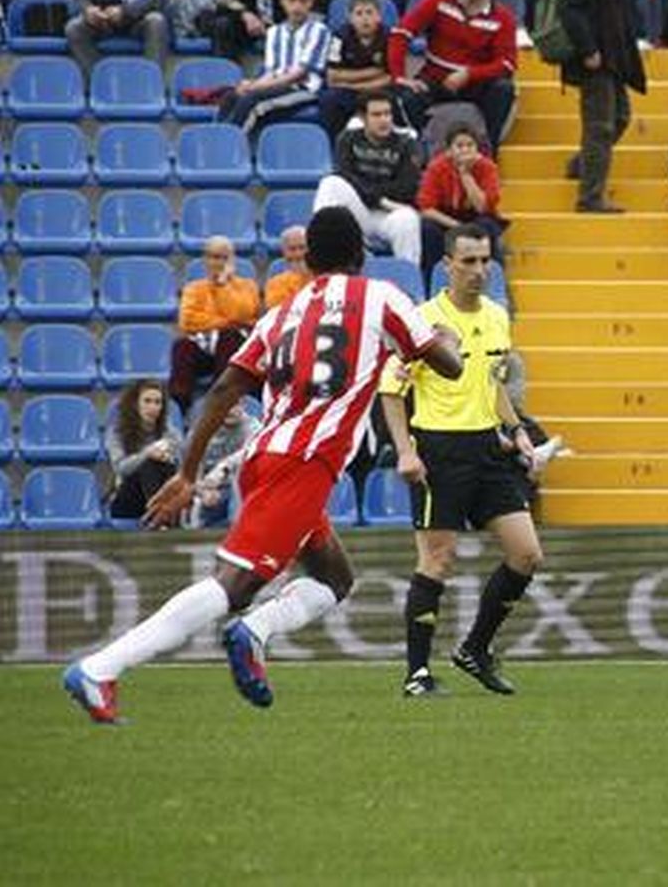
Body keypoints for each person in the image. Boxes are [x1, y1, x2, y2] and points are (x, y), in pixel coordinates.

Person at [63, 207, 464, 725]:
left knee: (335, 579)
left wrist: (188, 471)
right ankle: (101, 668)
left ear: (311, 261)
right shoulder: (384, 298)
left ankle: (254, 632)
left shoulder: (282, 314)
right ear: (362, 255)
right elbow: (447, 368)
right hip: (303, 462)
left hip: (266, 456)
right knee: (233, 585)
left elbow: (228, 386)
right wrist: (447, 338)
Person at [380, 224, 545, 697]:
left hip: (487, 449)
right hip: (438, 450)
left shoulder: (497, 316)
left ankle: (475, 648)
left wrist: (516, 430)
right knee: (438, 559)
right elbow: (391, 390)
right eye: (468, 261)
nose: (479, 270)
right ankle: (416, 675)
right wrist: (407, 451)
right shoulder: (424, 320)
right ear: (446, 265)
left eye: (484, 260)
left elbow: (492, 383)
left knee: (527, 554)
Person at [559, 0, 648, 214]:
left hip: (612, 63)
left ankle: (581, 165)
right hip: (595, 63)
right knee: (600, 128)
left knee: (620, 118)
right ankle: (590, 197)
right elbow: (567, 8)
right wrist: (588, 49)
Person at [389, 0, 520, 149]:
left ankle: (488, 150)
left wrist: (469, 74)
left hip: (477, 83)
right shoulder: (439, 0)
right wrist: (399, 76)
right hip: (435, 78)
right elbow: (401, 33)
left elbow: (507, 63)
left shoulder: (503, 17)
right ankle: (419, 150)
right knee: (405, 97)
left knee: (503, 89)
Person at [317, 90, 425, 263]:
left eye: (387, 114)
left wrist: (366, 191)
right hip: (358, 211)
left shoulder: (406, 143)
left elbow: (407, 188)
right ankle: (324, 260)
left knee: (409, 218)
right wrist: (379, 199)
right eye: (376, 115)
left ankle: (408, 281)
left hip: (389, 214)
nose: (384, 120)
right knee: (331, 183)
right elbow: (344, 177)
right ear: (362, 118)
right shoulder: (348, 139)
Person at [219, 0, 332, 137]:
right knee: (231, 96)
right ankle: (214, 140)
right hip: (274, 86)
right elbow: (271, 72)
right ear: (282, 1)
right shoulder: (274, 32)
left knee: (251, 102)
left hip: (303, 89)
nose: (297, 6)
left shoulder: (319, 30)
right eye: (292, 0)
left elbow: (299, 74)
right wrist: (252, 84)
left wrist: (255, 87)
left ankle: (230, 149)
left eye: (303, 1)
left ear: (311, 2)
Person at [170, 236, 261, 414]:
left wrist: (223, 285)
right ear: (205, 260)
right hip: (205, 346)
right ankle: (179, 406)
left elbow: (242, 314)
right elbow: (187, 321)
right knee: (181, 346)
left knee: (228, 336)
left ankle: (220, 397)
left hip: (234, 346)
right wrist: (225, 321)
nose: (218, 262)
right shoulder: (194, 288)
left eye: (223, 257)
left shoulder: (247, 287)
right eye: (213, 257)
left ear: (232, 260)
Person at [417, 125, 507, 276]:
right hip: (445, 218)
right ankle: (431, 278)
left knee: (487, 226)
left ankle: (489, 277)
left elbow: (482, 207)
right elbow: (427, 209)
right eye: (459, 146)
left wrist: (465, 174)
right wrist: (457, 226)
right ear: (449, 150)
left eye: (470, 145)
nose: (465, 150)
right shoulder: (437, 167)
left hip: (476, 217)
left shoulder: (488, 167)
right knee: (428, 229)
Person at [106, 380, 182, 523]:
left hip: (161, 489)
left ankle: (160, 517)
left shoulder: (170, 433)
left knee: (165, 466)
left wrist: (169, 457)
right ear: (135, 404)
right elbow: (120, 468)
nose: (152, 407)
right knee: (149, 464)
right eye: (147, 401)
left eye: (157, 402)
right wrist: (147, 453)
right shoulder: (117, 432)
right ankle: (158, 519)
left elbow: (180, 469)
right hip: (128, 498)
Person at [321, 0, 395, 135]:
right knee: (328, 99)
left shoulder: (390, 36)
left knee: (400, 96)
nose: (364, 18)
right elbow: (332, 77)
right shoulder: (338, 37)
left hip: (378, 91)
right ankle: (334, 145)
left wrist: (349, 82)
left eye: (369, 13)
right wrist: (374, 72)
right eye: (359, 13)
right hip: (348, 92)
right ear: (350, 18)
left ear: (379, 16)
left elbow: (390, 77)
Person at [191, 398, 263, 527]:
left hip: (238, 489)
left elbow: (249, 452)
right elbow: (191, 469)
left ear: (243, 405)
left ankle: (236, 532)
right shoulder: (203, 429)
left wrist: (224, 466)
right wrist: (202, 491)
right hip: (207, 489)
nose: (230, 410)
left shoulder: (254, 427)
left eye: (234, 404)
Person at [265, 226, 311, 308]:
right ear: (283, 251)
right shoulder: (276, 268)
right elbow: (272, 305)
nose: (298, 254)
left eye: (302, 247)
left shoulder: (318, 267)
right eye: (292, 249)